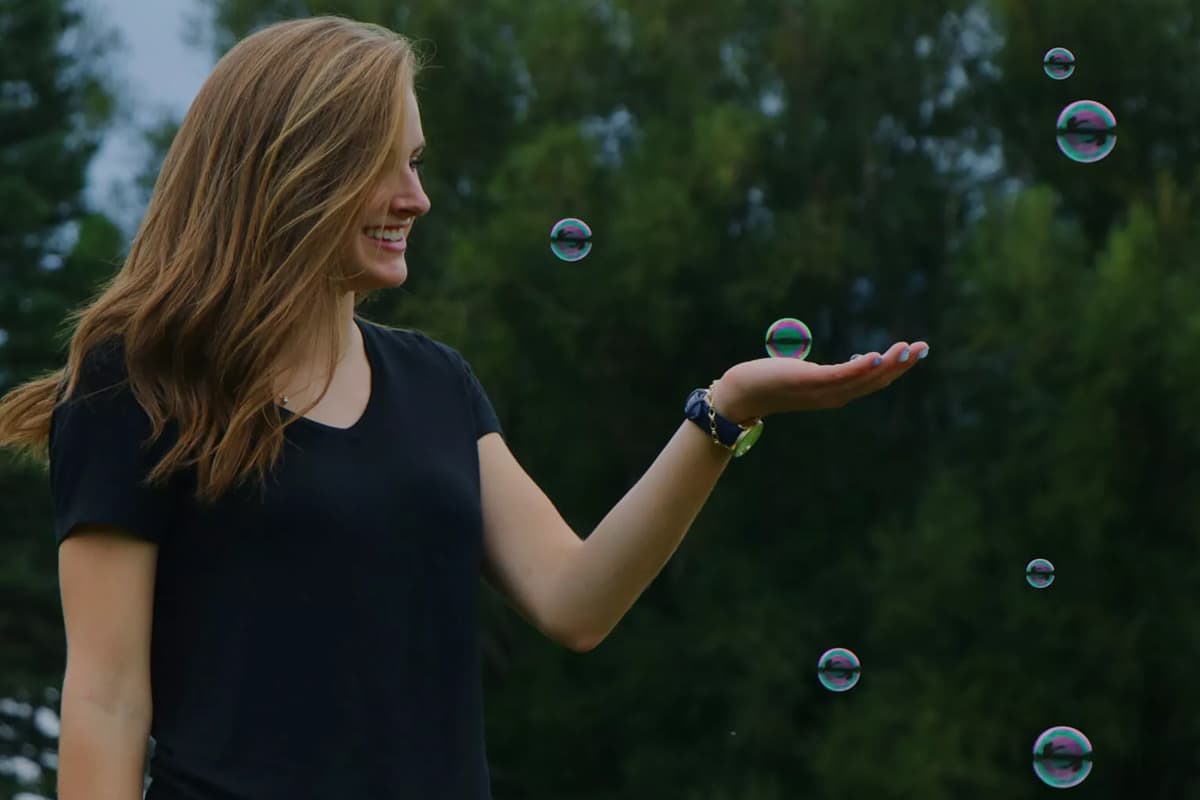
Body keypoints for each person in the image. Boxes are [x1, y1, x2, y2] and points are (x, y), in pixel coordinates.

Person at [0, 14, 929, 800]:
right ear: (296, 170)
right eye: (386, 167)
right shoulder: (138, 384)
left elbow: (577, 601)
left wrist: (724, 412)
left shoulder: (437, 386)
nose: (420, 198)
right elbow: (107, 698)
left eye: (417, 163)